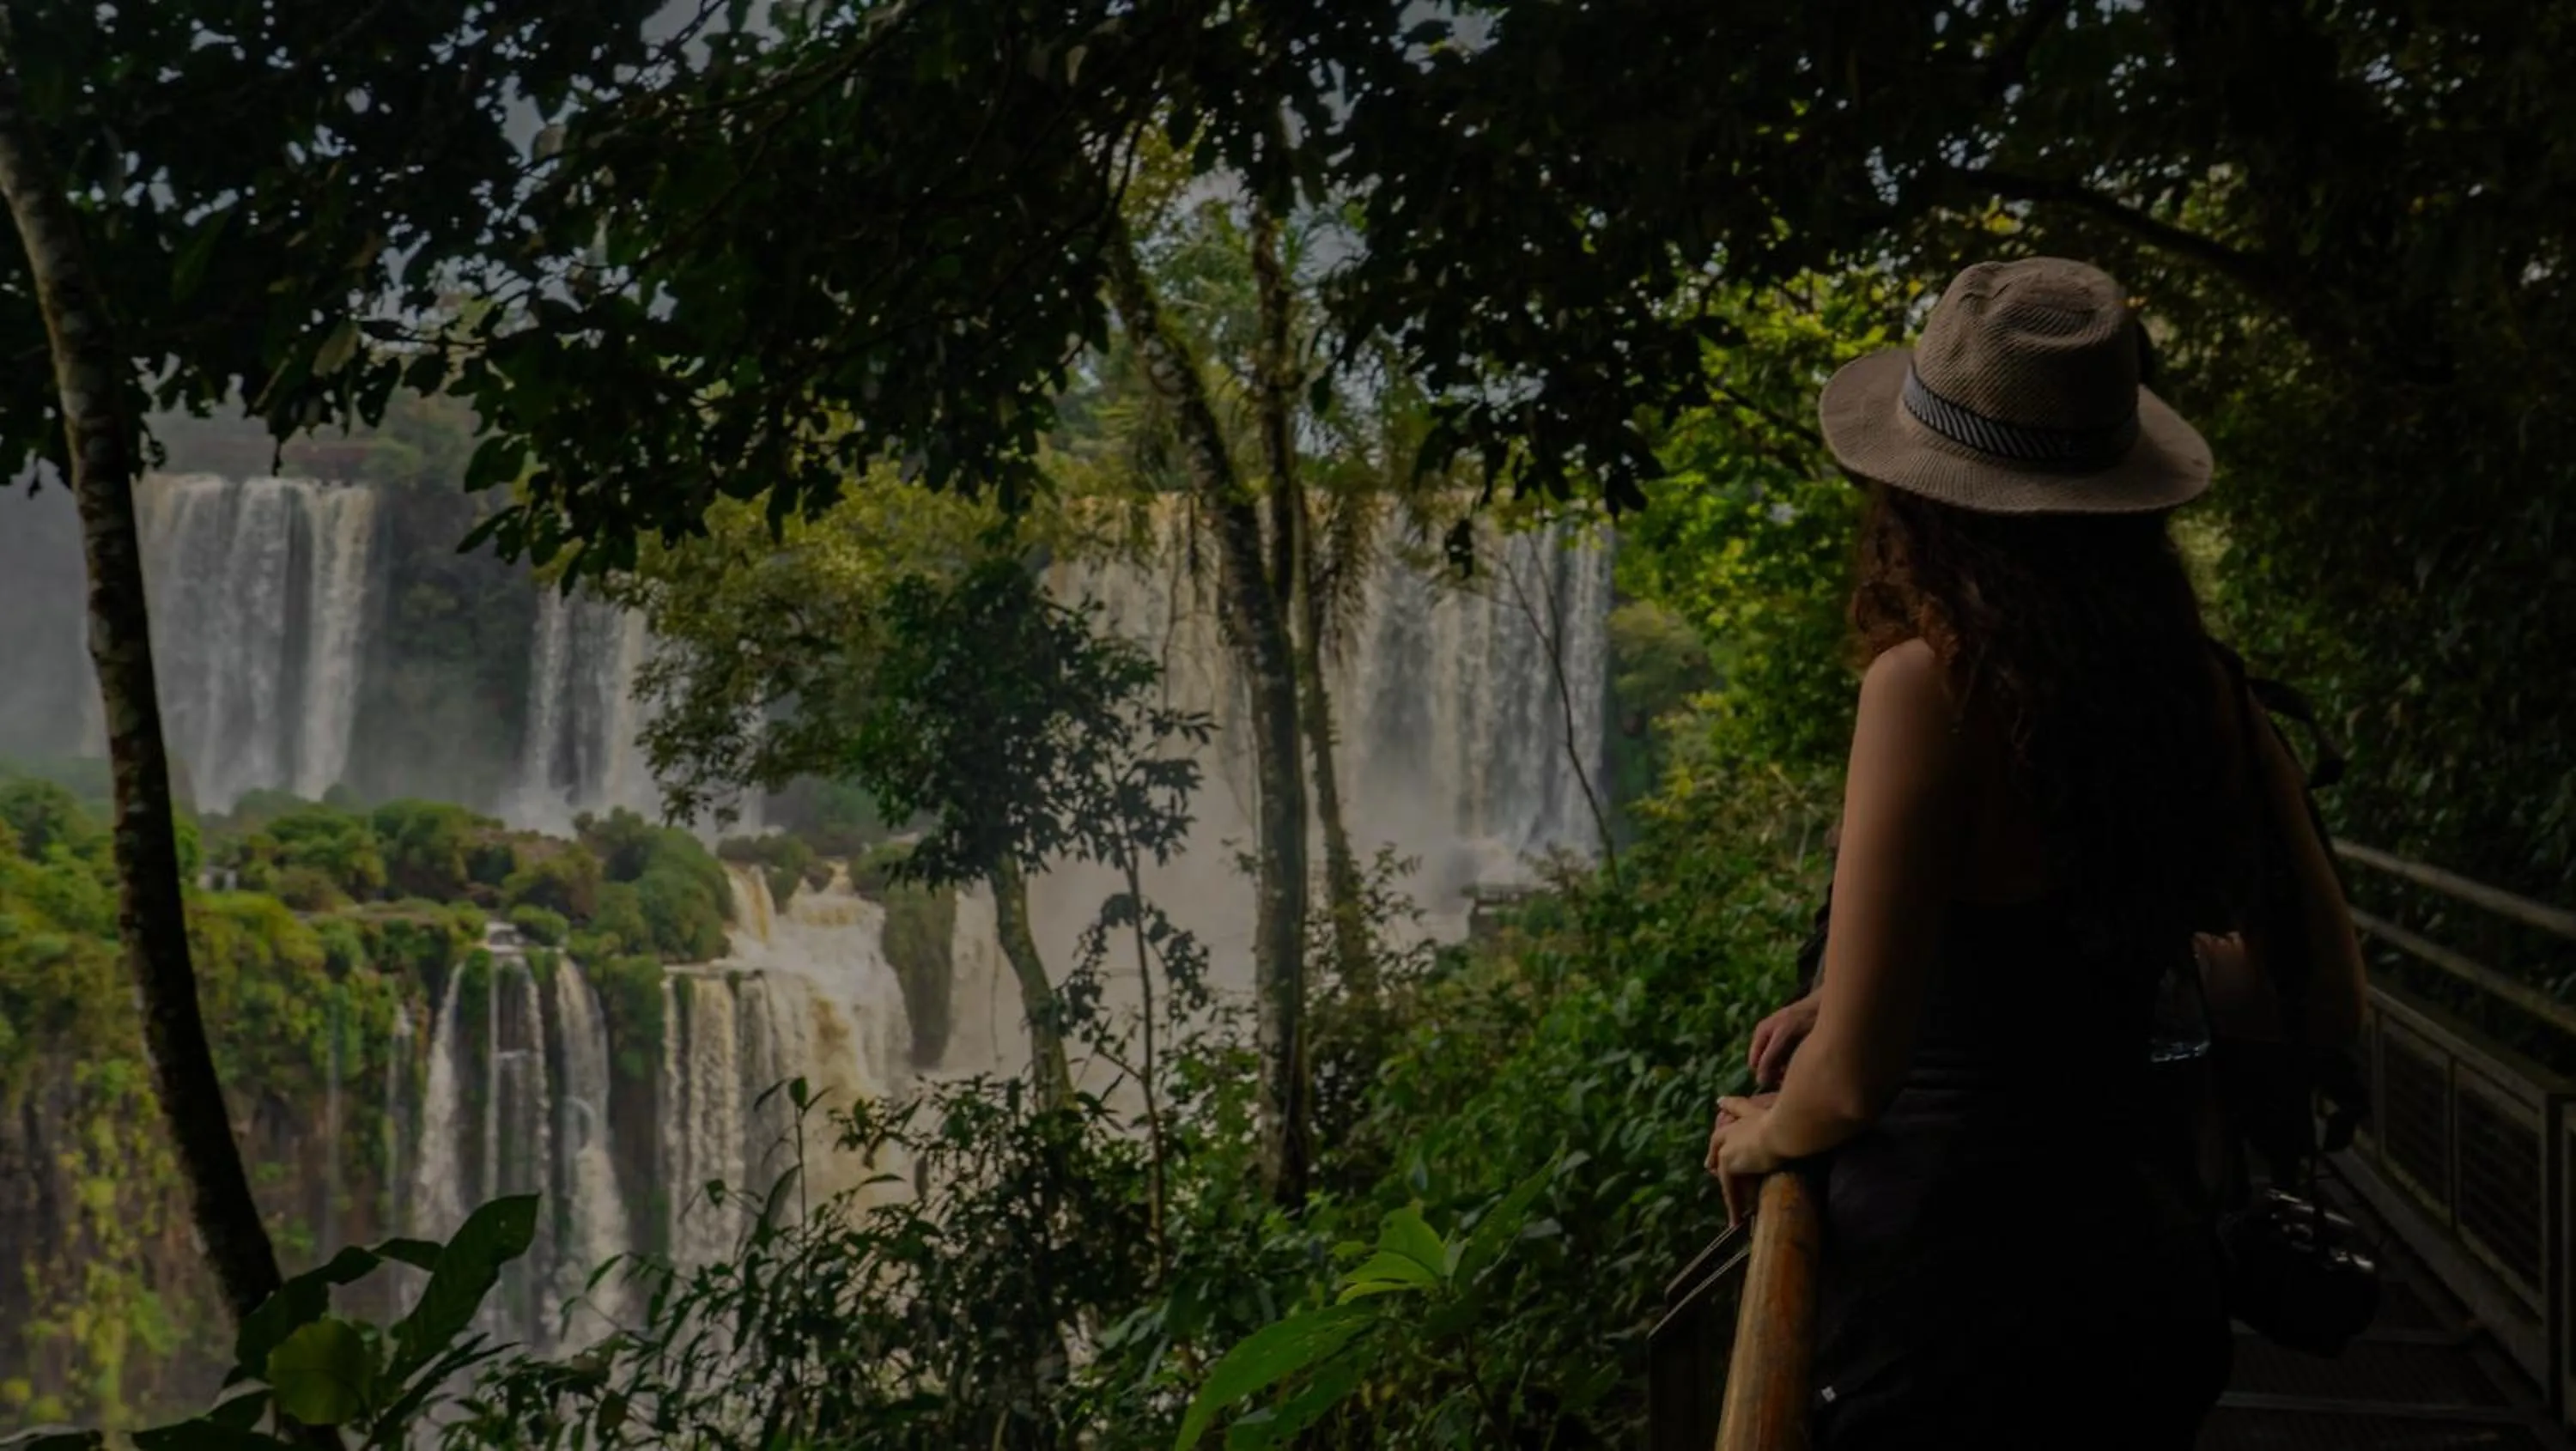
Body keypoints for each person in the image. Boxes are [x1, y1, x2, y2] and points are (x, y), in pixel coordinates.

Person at [1701, 257, 2367, 1448]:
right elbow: (2325, 985)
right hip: (2148, 1269)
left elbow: (1854, 1076)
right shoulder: (2202, 689)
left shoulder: (1929, 686)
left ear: (1924, 492)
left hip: (1957, 1292)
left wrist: (1760, 1132)